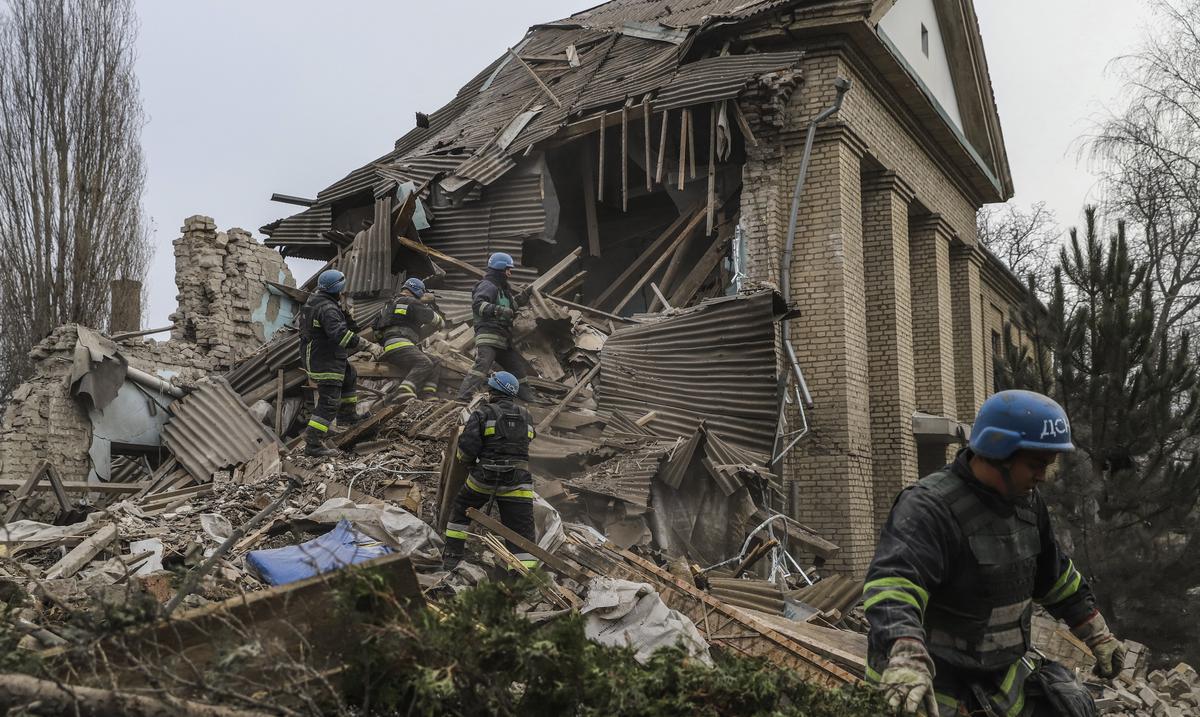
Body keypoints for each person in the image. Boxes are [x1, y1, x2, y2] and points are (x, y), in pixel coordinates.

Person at [865, 390, 1124, 717]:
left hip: (997, 673)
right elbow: (894, 586)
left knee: (1069, 705)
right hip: (926, 678)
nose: (1042, 476)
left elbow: (1053, 577)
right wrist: (906, 654)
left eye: (1047, 465)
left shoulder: (1026, 503)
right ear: (998, 451)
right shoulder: (929, 508)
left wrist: (1097, 634)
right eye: (1035, 464)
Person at [443, 371, 538, 571]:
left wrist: (468, 463)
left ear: (492, 391)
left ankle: (451, 558)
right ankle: (523, 576)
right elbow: (529, 439)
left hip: (483, 479)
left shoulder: (482, 413)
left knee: (461, 510)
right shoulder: (526, 415)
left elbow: (467, 448)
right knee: (522, 532)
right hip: (518, 483)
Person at [297, 269, 385, 457]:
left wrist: (346, 313)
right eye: (343, 289)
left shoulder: (320, 303)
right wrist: (369, 346)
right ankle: (312, 443)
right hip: (324, 359)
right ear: (338, 288)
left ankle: (347, 415)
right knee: (329, 401)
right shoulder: (327, 308)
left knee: (349, 375)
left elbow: (349, 327)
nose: (344, 292)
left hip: (322, 356)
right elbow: (341, 336)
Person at [455, 252, 535, 402]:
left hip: (503, 339)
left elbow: (511, 307)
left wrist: (524, 296)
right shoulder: (488, 285)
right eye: (508, 270)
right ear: (500, 269)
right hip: (488, 335)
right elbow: (478, 305)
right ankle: (462, 398)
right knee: (482, 366)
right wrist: (499, 310)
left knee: (518, 370)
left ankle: (530, 400)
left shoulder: (503, 290)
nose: (510, 273)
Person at [374, 277, 444, 401]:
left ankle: (427, 394)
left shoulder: (386, 306)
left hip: (388, 348)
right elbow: (436, 320)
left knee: (435, 361)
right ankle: (403, 390)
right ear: (419, 291)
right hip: (402, 345)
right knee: (424, 363)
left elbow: (375, 330)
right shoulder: (412, 302)